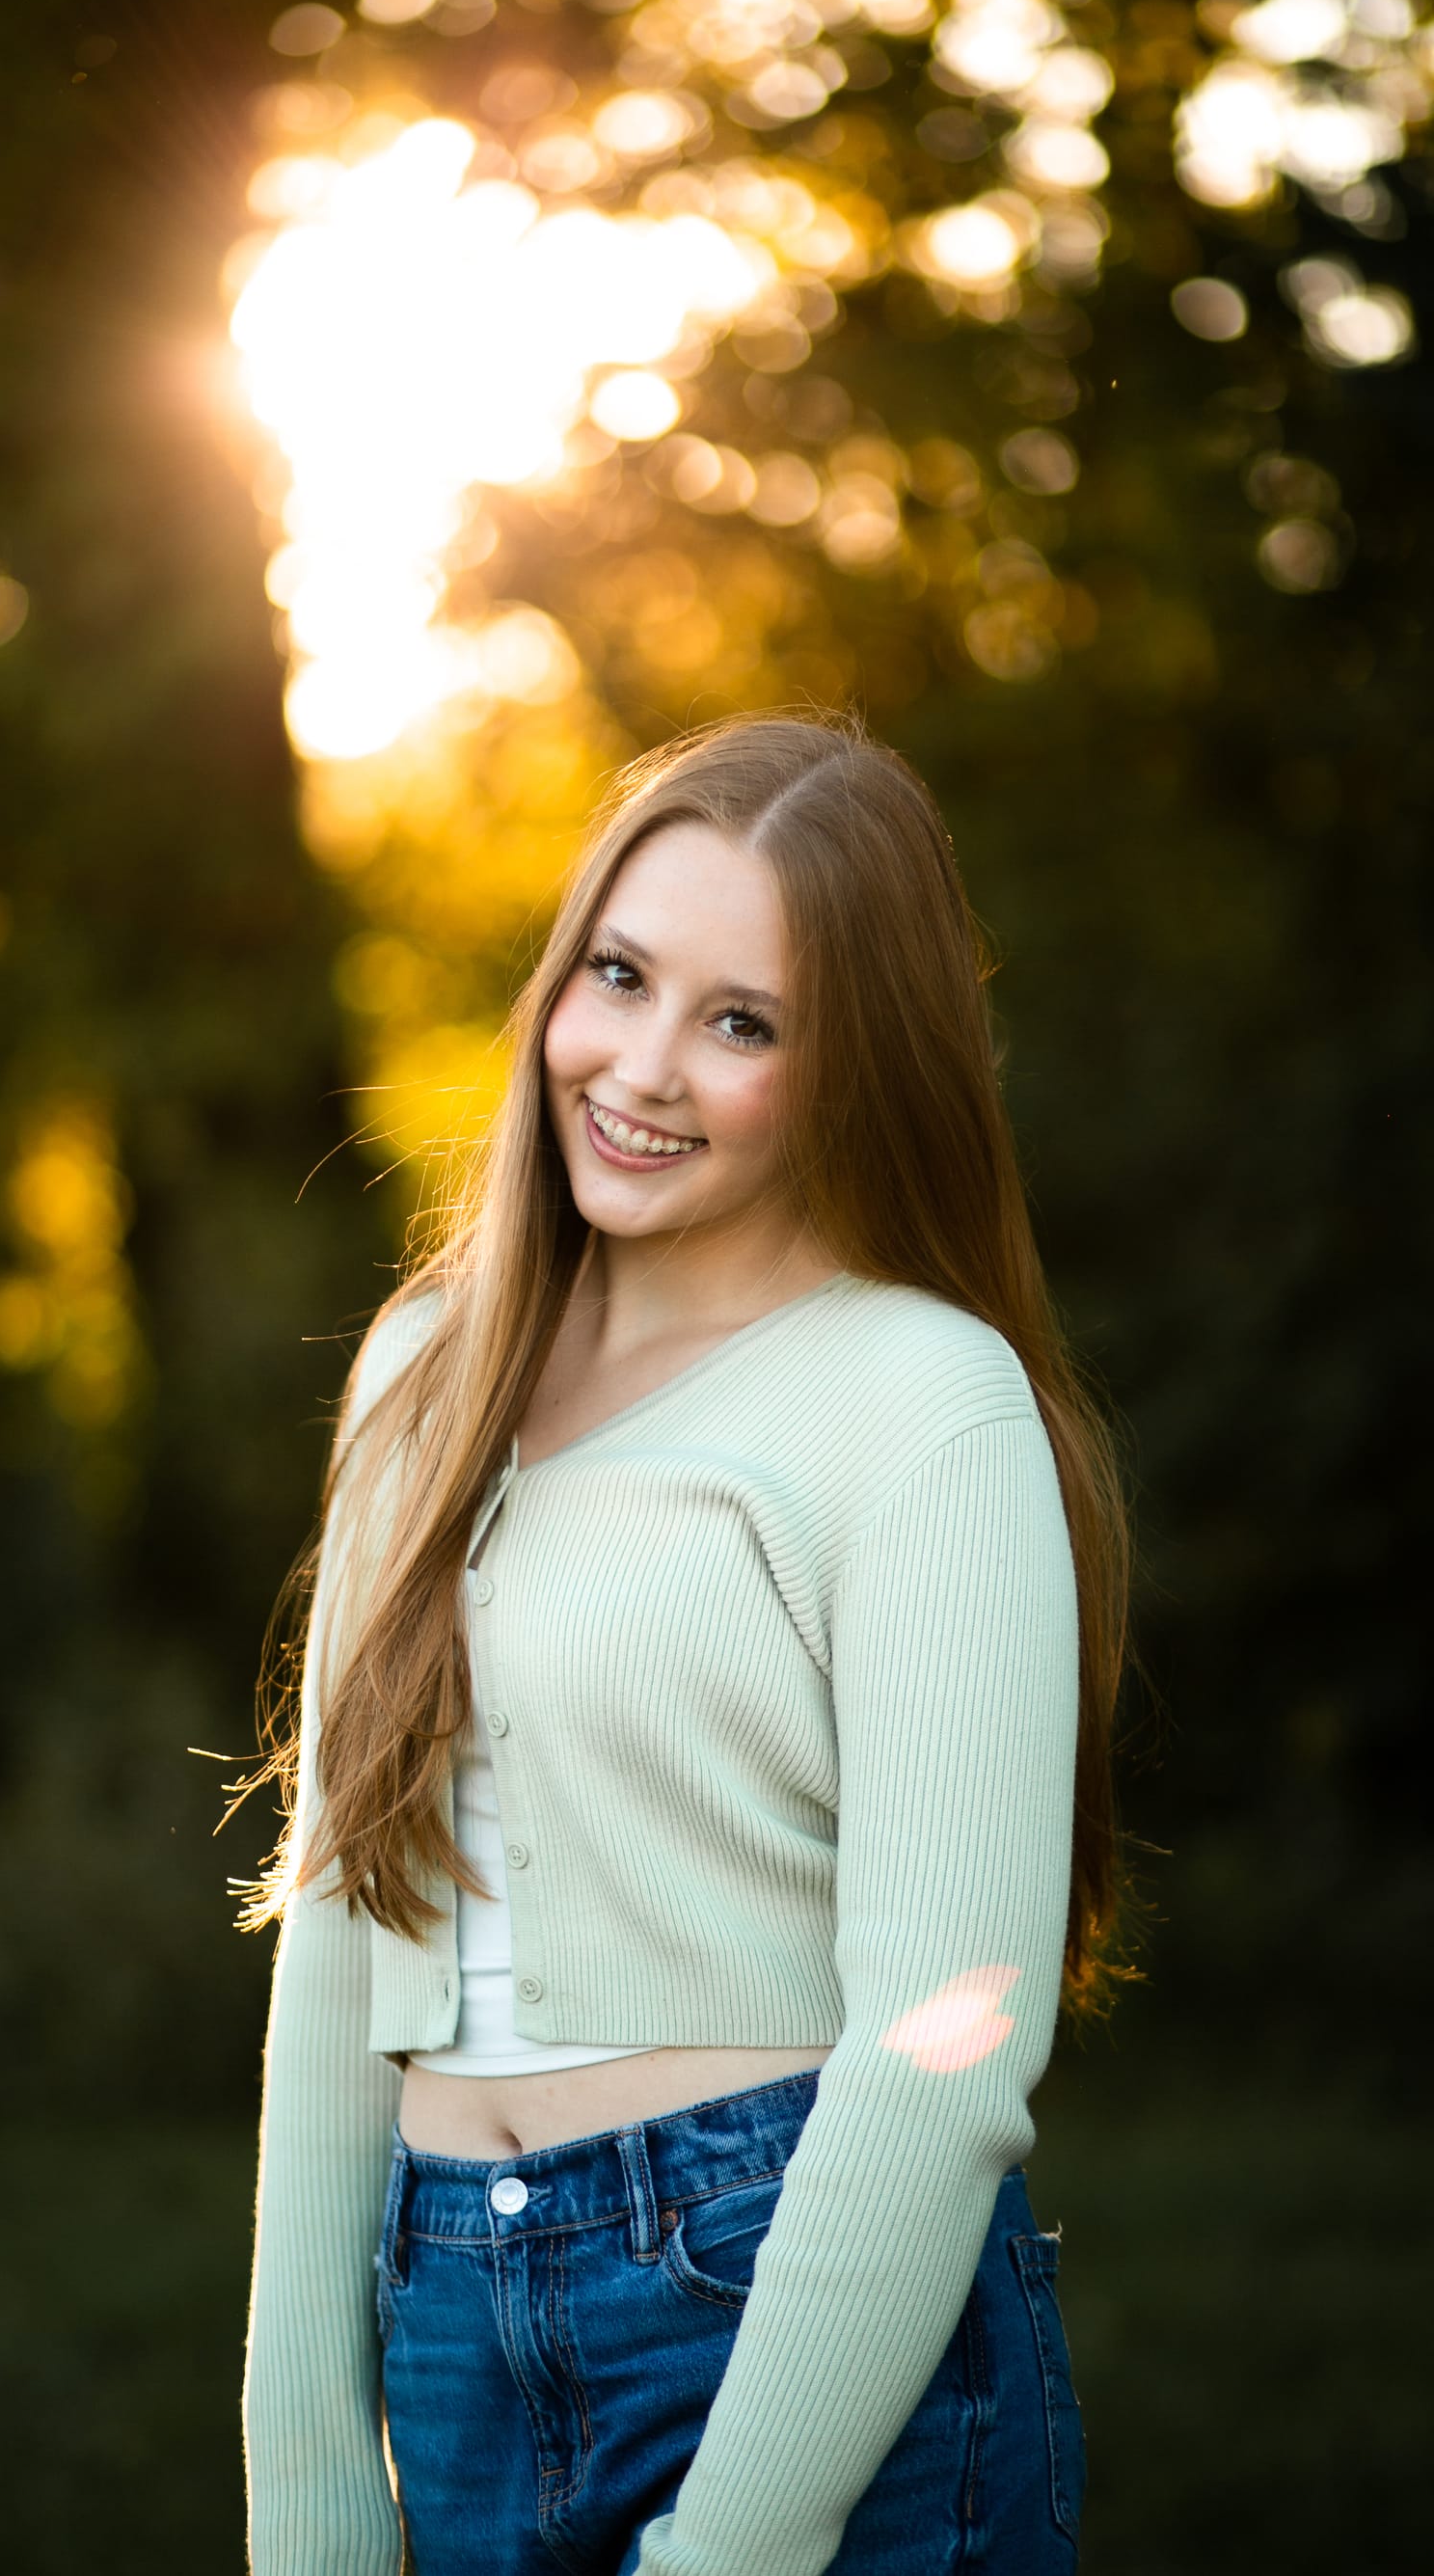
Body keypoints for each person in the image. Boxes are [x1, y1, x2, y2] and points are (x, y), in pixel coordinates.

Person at [242, 713, 1130, 2576]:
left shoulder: (923, 1403)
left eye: (744, 1022)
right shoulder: (428, 1368)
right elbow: (343, 1933)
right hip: (449, 2316)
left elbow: (942, 2055)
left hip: (792, 2313)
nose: (640, 1067)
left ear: (848, 1067)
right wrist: (312, 2500)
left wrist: (740, 2545)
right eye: (620, 977)